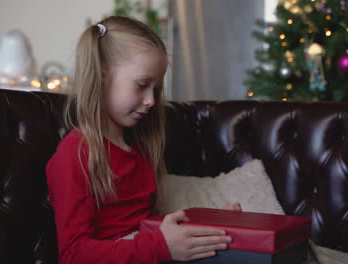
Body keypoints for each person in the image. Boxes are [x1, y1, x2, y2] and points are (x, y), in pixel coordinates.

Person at [46, 16, 242, 264]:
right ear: (102, 75)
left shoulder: (139, 152)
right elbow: (73, 256)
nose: (151, 100)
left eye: (156, 89)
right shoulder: (75, 153)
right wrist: (161, 246)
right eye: (142, 85)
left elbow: (143, 231)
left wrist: (205, 227)